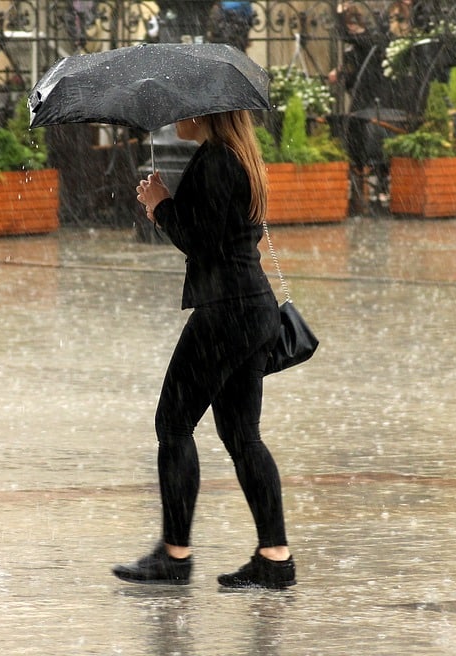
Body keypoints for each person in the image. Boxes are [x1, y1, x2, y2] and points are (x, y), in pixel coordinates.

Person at [111, 111, 296, 590]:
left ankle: (174, 555)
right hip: (253, 308)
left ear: (205, 114)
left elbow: (201, 241)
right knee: (242, 436)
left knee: (173, 424)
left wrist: (161, 204)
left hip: (224, 312)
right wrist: (168, 208)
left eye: (182, 113)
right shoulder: (240, 159)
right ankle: (274, 558)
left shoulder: (217, 161)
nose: (174, 120)